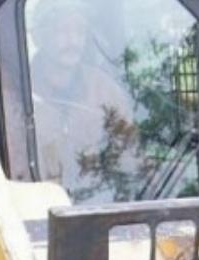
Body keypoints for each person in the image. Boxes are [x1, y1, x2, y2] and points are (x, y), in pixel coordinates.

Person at [27, 0, 141, 201]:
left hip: (95, 206)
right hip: (33, 211)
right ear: (38, 36)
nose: (73, 41)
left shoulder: (105, 90)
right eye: (62, 31)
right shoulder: (14, 93)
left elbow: (129, 157)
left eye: (79, 31)